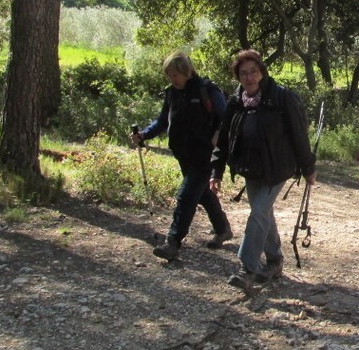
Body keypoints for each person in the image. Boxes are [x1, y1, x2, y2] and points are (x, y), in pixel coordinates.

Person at [210, 50, 316, 289]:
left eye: (253, 72)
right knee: (263, 212)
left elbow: (299, 134)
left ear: (262, 72)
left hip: (278, 167)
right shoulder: (236, 102)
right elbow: (224, 139)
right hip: (251, 168)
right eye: (244, 73)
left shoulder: (281, 98)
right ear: (238, 77)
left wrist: (308, 167)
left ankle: (247, 268)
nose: (249, 77)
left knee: (258, 212)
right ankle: (275, 260)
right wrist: (216, 172)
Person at [132, 51, 232, 262]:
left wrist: (217, 139)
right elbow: (162, 121)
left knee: (186, 195)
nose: (172, 79)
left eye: (175, 75)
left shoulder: (207, 90)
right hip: (183, 154)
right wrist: (144, 134)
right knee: (202, 192)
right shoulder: (172, 93)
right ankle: (222, 229)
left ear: (186, 71)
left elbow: (226, 120)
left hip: (205, 154)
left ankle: (173, 242)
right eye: (169, 75)